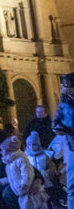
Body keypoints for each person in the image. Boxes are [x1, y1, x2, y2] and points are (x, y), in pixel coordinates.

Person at [0, 135, 47, 209]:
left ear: (9, 150)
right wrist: (2, 181)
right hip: (21, 193)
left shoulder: (21, 160)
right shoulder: (9, 163)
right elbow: (13, 177)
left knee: (38, 206)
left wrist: (25, 184)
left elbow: (28, 173)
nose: (0, 152)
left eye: (2, 150)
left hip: (29, 191)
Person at [53, 72, 74, 209]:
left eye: (65, 84)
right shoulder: (64, 101)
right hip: (72, 146)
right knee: (71, 185)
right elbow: (57, 118)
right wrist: (57, 127)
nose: (62, 87)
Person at [26, 131, 64, 207]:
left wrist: (46, 173)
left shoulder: (44, 155)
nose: (32, 147)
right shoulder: (26, 156)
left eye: (34, 145)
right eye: (29, 144)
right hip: (33, 181)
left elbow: (52, 166)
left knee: (50, 195)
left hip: (46, 181)